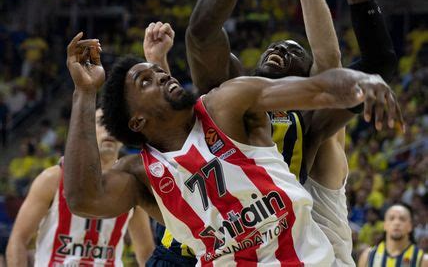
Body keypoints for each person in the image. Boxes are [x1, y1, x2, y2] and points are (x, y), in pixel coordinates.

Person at [185, 0, 399, 264]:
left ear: (307, 80)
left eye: (294, 53)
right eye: (275, 47)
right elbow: (202, 34)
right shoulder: (229, 97)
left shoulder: (310, 121)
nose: (281, 50)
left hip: (311, 252)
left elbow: (344, 63)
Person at [63, 30, 403, 267]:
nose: (163, 77)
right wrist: (85, 92)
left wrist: (362, 81)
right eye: (147, 81)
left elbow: (320, 85)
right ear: (136, 121)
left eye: (158, 72)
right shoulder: (142, 173)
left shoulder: (226, 108)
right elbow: (83, 199)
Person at [6, 108, 154, 267]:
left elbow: (146, 252)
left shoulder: (132, 188)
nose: (109, 129)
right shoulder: (53, 179)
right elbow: (18, 240)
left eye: (114, 124)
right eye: (101, 122)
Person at [357, 204, 428, 267]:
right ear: (384, 225)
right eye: (391, 218)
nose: (396, 223)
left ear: (410, 226)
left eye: (402, 219)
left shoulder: (423, 260)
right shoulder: (367, 256)